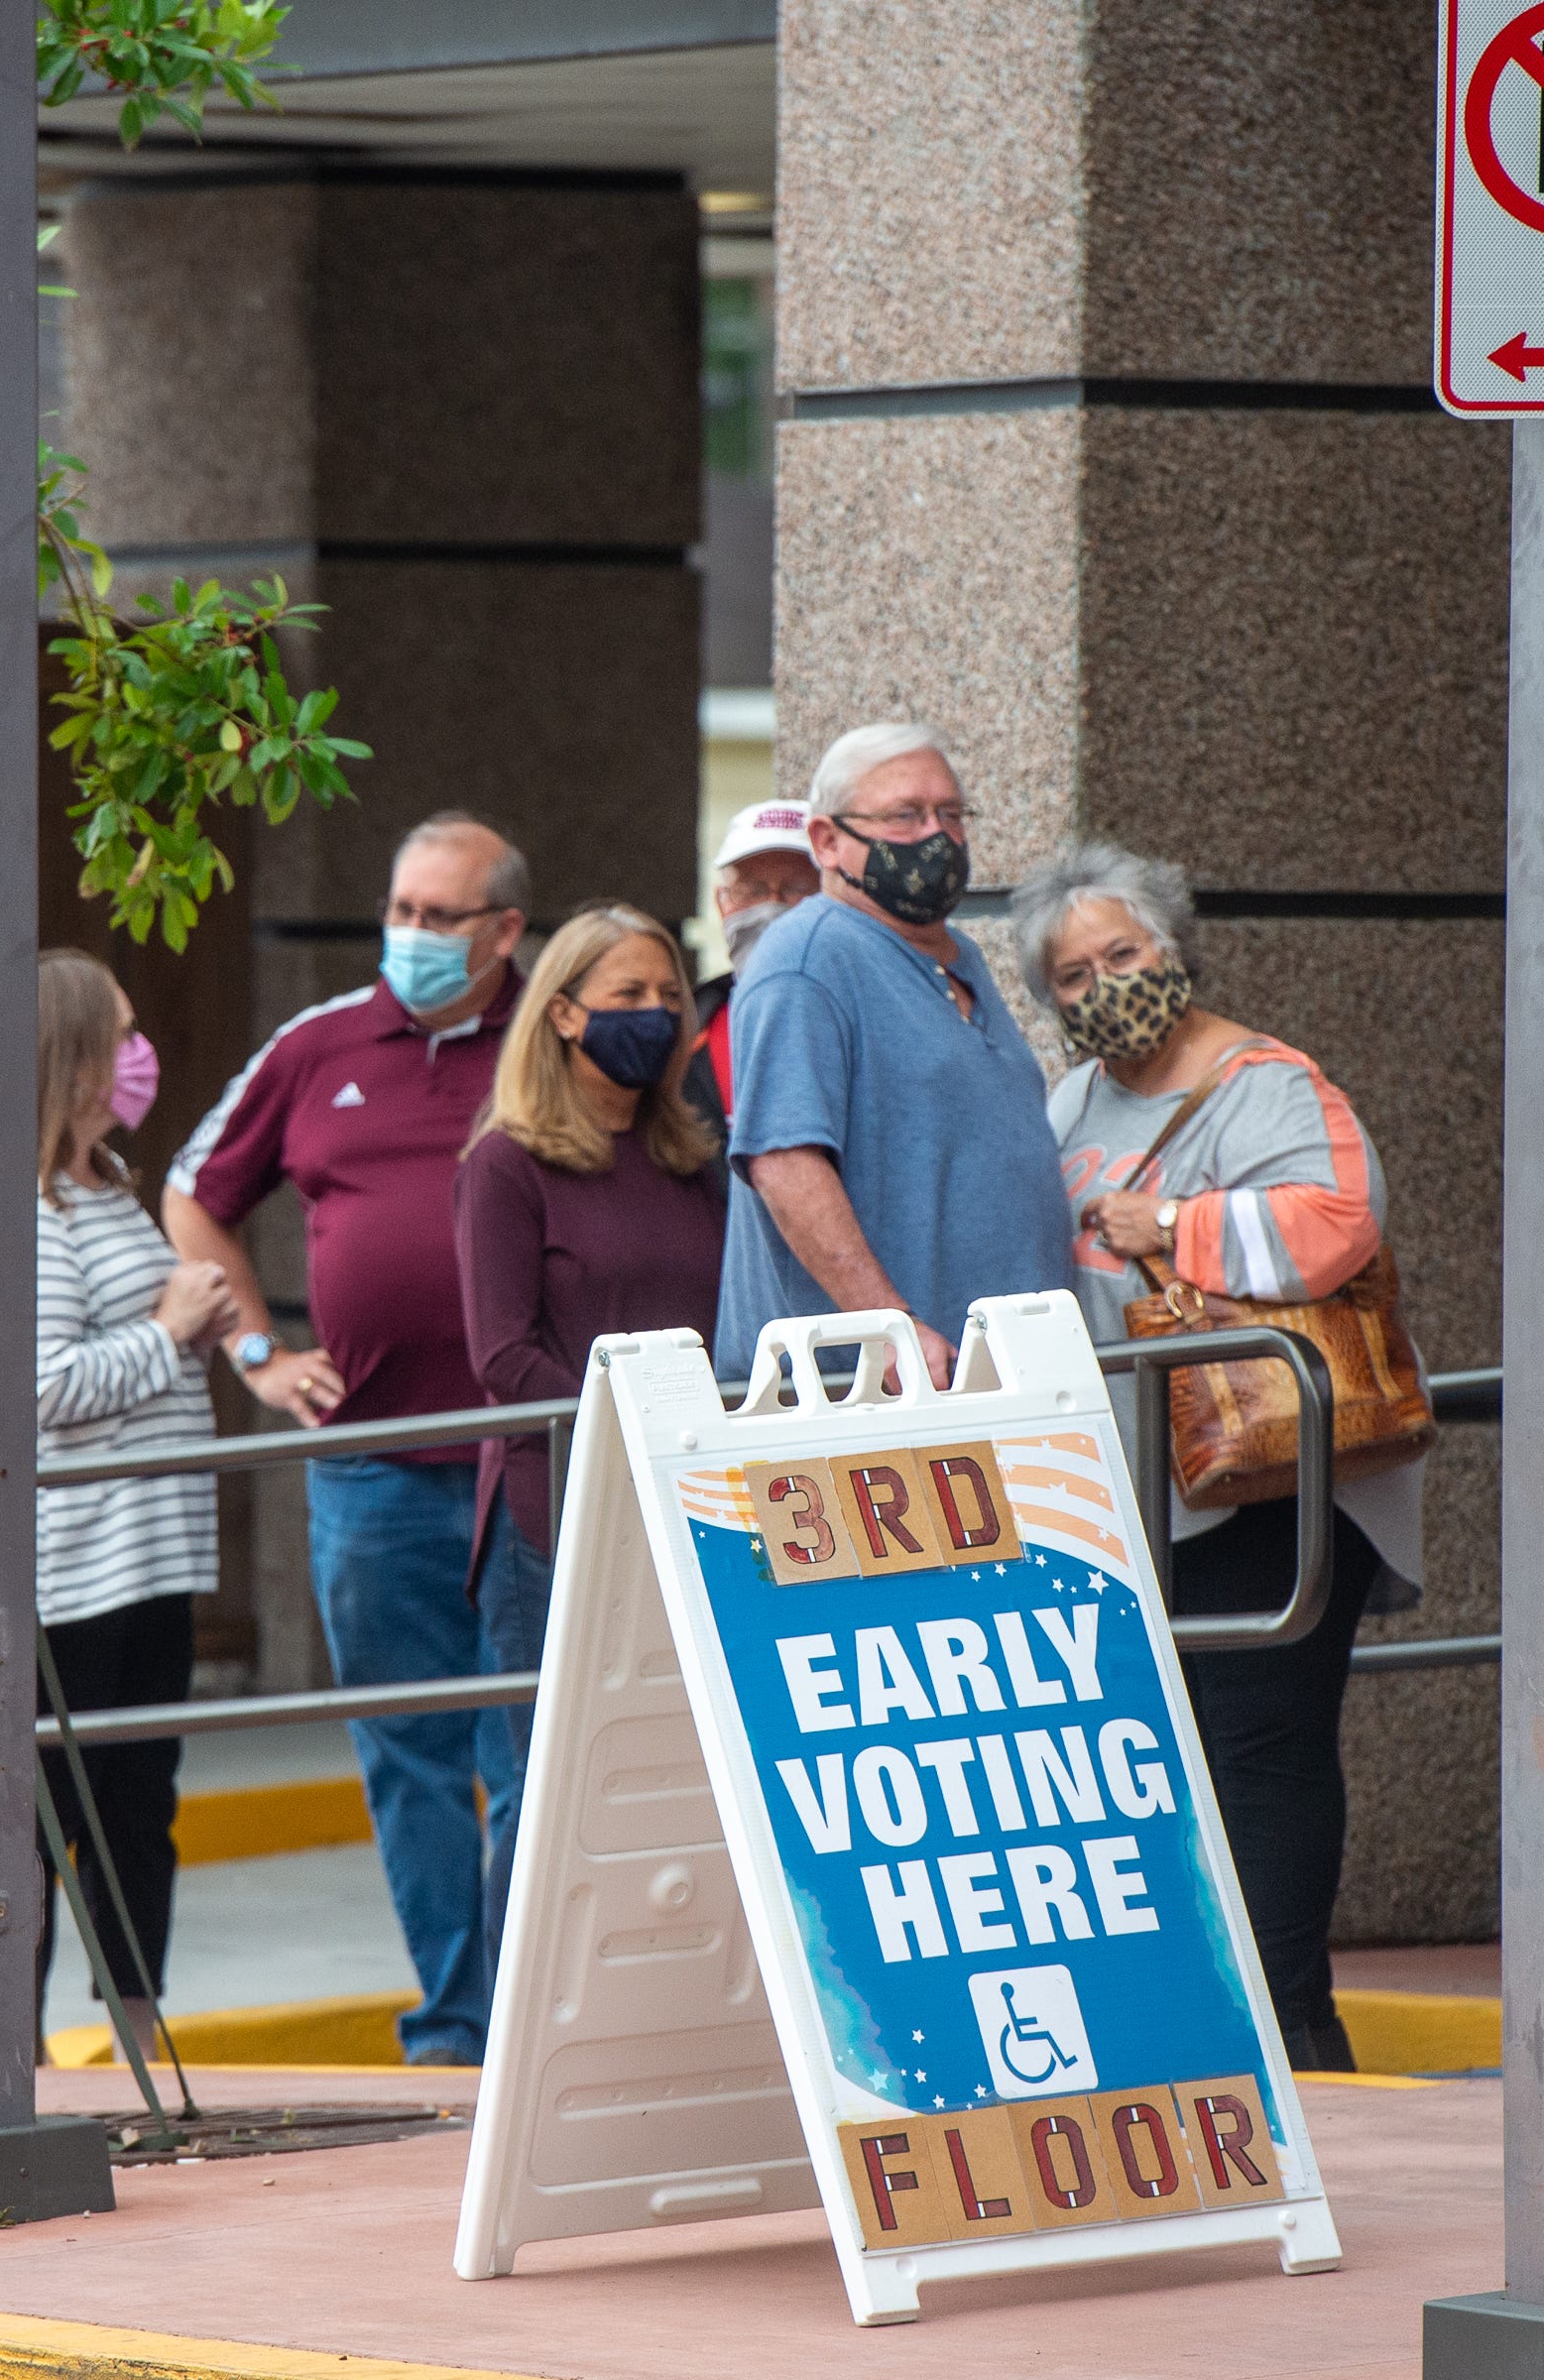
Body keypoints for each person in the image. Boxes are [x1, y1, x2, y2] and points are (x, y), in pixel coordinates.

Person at [1017, 843, 1422, 2076]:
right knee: (1173, 1754)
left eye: (1124, 955)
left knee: (1263, 1747)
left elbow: (1343, 1223)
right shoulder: (1071, 1101)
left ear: (1176, 947)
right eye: (1075, 974)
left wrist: (1176, 1226)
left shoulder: (1270, 1084)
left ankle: (1295, 2030)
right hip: (1142, 1486)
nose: (1105, 986)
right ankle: (1220, 2022)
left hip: (1275, 1479)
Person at [163, 812, 531, 2065]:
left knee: (535, 1753)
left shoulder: (556, 1042)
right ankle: (454, 2031)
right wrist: (259, 1355)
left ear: (506, 931)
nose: (411, 936)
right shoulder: (317, 1046)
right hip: (372, 1472)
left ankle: (534, 2016)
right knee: (411, 1760)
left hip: (527, 1465)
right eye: (401, 910)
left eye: (440, 917)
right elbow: (194, 1197)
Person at [0, 948, 232, 2058]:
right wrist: (168, 1332)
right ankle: (3, 2053)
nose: (140, 1056)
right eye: (120, 1036)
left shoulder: (100, 1183)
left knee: (135, 1809)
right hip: (59, 1571)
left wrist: (183, 1334)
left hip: (139, 1557)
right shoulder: (11, 1205)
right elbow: (34, 1393)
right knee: (37, 1822)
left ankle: (136, 2030)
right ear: (70, 1057)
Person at [453, 903, 725, 1957]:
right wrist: (634, 1423)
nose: (653, 1014)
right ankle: (500, 2043)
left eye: (668, 995)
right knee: (551, 1792)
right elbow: (501, 1356)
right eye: (626, 996)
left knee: (670, 1788)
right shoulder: (508, 1166)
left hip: (688, 1507)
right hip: (554, 1520)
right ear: (562, 1013)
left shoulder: (695, 1159)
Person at [717, 723, 1070, 1386]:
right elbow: (786, 1162)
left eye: (952, 814)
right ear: (827, 841)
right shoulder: (806, 958)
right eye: (906, 816)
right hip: (874, 1393)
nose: (936, 837)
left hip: (997, 1382)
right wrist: (887, 1325)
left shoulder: (959, 956)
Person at [684, 798, 821, 1135]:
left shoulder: (873, 1020)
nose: (771, 907)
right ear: (722, 903)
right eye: (751, 890)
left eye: (798, 889)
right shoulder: (682, 1035)